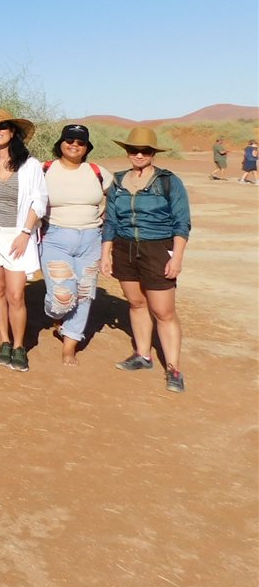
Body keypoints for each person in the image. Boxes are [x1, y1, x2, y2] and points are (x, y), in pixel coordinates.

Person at [103, 127, 191, 392]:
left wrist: (176, 257)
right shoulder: (117, 182)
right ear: (127, 151)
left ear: (153, 153)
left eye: (145, 150)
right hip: (124, 248)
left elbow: (182, 222)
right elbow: (110, 222)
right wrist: (106, 253)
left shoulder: (168, 181)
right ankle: (143, 355)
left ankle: (173, 368)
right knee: (136, 302)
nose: (139, 154)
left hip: (157, 248)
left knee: (164, 312)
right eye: (133, 150)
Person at [0, 109, 48, 374]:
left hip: (18, 236)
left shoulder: (30, 165)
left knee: (16, 294)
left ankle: (19, 345)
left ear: (13, 131)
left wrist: (26, 233)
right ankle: (4, 339)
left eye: (2, 127)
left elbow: (40, 200)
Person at [40, 124, 112, 366]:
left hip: (91, 240)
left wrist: (107, 218)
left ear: (87, 147)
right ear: (60, 143)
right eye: (69, 140)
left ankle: (69, 344)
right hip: (55, 238)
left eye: (80, 142)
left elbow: (117, 198)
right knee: (62, 297)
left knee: (84, 294)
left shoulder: (96, 171)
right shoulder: (45, 170)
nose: (74, 145)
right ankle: (56, 316)